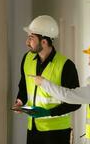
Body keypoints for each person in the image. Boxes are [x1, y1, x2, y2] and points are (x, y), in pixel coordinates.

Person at [12, 15, 81, 144]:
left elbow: (76, 102)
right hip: (33, 129)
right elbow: (23, 85)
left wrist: (48, 112)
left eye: (31, 38)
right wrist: (20, 101)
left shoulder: (66, 66)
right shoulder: (27, 59)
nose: (27, 42)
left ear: (44, 41)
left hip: (57, 132)